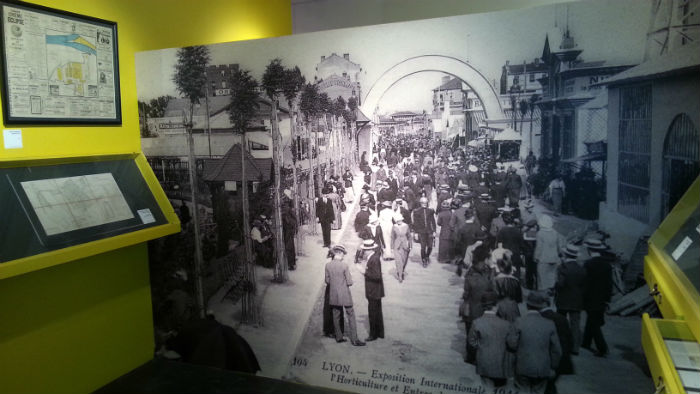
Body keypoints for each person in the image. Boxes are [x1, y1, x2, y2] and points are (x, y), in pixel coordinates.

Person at [507, 291, 562, 394]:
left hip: (523, 367)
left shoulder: (519, 321)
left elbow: (512, 344)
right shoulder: (549, 324)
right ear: (541, 306)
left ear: (527, 305)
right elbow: (557, 350)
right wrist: (553, 367)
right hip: (542, 369)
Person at [468, 290, 515, 389]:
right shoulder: (506, 324)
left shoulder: (477, 322)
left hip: (484, 362)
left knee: (486, 388)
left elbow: (471, 341)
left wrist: (481, 346)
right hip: (502, 365)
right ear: (496, 306)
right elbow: (512, 343)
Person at [324, 245, 365, 346]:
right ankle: (354, 339)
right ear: (339, 253)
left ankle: (339, 337)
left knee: (336, 315)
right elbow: (349, 282)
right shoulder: (344, 266)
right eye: (343, 254)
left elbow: (327, 281)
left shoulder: (328, 265)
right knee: (350, 314)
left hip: (333, 294)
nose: (343, 256)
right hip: (345, 294)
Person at [461, 244, 494, 364]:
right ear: (485, 259)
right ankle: (478, 356)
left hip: (471, 306)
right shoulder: (489, 272)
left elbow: (466, 291)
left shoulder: (471, 271)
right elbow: (492, 288)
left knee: (470, 332)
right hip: (483, 308)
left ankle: (470, 356)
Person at [581, 238, 613, 358]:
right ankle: (586, 342)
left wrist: (582, 297)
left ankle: (602, 348)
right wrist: (607, 299)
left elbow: (585, 283)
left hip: (590, 297)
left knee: (594, 323)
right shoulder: (607, 265)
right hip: (602, 297)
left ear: (590, 250)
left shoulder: (588, 264)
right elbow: (609, 284)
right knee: (592, 319)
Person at [555, 243, 586, 356]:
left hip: (563, 298)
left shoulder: (563, 268)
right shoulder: (581, 269)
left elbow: (560, 284)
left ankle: (562, 343)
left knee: (561, 322)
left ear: (566, 254)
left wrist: (555, 286)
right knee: (575, 324)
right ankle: (575, 348)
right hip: (577, 299)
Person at [360, 240, 385, 341]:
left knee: (373, 312)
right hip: (377, 290)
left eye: (365, 250)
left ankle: (373, 334)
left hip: (373, 291)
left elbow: (377, 275)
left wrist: (364, 272)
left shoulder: (373, 259)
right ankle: (380, 333)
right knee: (378, 312)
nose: (363, 252)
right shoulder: (374, 257)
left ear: (369, 250)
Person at [534, 215, 565, 293]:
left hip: (543, 259)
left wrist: (536, 257)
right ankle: (552, 295)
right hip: (554, 259)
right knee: (552, 279)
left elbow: (539, 248)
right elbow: (559, 247)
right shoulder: (555, 233)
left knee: (542, 280)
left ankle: (542, 297)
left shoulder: (540, 233)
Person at [411, 196, 436, 267]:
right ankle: (424, 260)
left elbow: (433, 221)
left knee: (430, 246)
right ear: (420, 203)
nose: (424, 204)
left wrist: (434, 231)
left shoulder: (430, 211)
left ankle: (427, 256)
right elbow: (415, 223)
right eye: (423, 203)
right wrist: (415, 232)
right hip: (421, 231)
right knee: (423, 247)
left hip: (429, 231)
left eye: (425, 203)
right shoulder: (417, 211)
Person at [391, 213, 411, 283]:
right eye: (397, 220)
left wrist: (410, 245)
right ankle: (400, 276)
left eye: (400, 220)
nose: (399, 221)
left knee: (404, 261)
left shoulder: (406, 226)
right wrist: (391, 247)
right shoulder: (394, 226)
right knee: (398, 261)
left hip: (405, 245)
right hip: (397, 246)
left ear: (402, 220)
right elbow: (392, 237)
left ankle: (401, 271)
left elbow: (409, 236)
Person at [436, 200, 456, 264]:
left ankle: (441, 258)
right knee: (449, 245)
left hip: (443, 230)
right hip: (450, 231)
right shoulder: (451, 213)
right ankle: (448, 258)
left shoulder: (441, 214)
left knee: (442, 245)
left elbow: (439, 223)